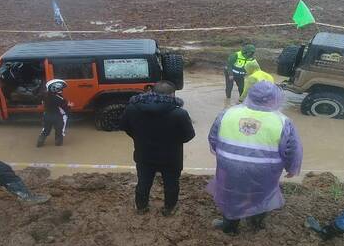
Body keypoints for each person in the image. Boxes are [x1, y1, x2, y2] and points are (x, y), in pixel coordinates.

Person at [208, 81, 303, 235]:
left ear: (250, 95)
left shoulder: (227, 113)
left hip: (230, 166)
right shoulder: (283, 121)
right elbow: (292, 149)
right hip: (264, 169)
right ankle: (256, 223)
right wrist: (292, 168)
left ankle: (230, 227)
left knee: (231, 193)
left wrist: (220, 153)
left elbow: (213, 138)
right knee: (262, 194)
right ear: (275, 98)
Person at [120, 81, 195, 216]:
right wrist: (173, 142)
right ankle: (169, 209)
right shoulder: (180, 113)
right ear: (172, 95)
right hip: (171, 156)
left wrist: (138, 137)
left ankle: (141, 207)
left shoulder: (133, 108)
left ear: (152, 92)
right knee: (171, 184)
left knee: (143, 181)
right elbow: (189, 135)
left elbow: (124, 127)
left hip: (144, 154)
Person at [37, 79, 70, 147]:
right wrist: (69, 106)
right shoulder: (60, 99)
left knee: (46, 130)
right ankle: (58, 143)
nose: (61, 89)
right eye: (60, 88)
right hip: (57, 117)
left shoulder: (45, 96)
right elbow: (66, 108)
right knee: (59, 130)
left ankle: (40, 141)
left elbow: (41, 100)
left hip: (47, 116)